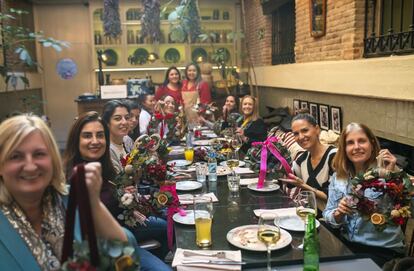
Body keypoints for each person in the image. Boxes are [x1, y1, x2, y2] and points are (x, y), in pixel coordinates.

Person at [0, 115, 166, 271]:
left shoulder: (68, 198)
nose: (30, 166)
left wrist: (93, 203)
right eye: (15, 156)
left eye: (39, 154)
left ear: (52, 160)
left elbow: (127, 256)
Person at [63, 111, 170, 264]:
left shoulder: (106, 168)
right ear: (76, 141)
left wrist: (126, 199)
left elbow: (114, 199)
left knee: (167, 227)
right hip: (102, 249)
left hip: (122, 232)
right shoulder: (71, 177)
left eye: (100, 135)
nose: (95, 141)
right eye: (87, 136)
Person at [323, 122, 405, 267]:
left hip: (382, 251)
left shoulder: (388, 170)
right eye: (350, 143)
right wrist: (338, 214)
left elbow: (408, 211)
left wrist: (394, 177)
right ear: (344, 148)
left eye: (362, 141)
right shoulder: (339, 176)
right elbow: (328, 214)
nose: (356, 147)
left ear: (372, 144)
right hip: (346, 245)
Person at [286, 113, 336, 204]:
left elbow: (335, 198)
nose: (300, 137)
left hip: (330, 217)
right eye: (296, 134)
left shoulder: (334, 156)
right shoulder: (301, 160)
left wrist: (304, 186)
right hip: (310, 215)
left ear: (317, 129)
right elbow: (288, 182)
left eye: (305, 130)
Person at [101, 100, 134, 173]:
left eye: (127, 117)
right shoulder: (104, 148)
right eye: (117, 118)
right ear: (107, 123)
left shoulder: (127, 140)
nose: (124, 122)